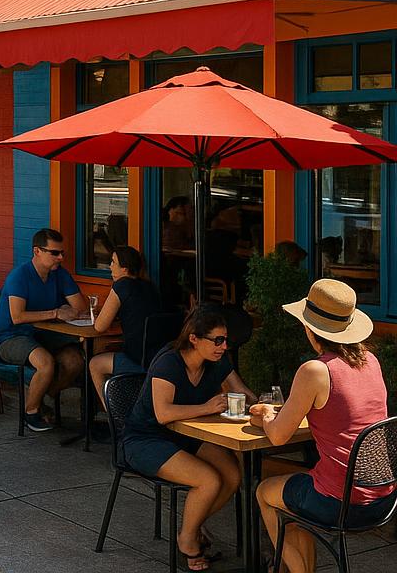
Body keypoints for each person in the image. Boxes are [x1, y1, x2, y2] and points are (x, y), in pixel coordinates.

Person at [252, 279, 395, 573]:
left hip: (341, 503)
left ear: (309, 328)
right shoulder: (370, 360)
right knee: (293, 487)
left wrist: (266, 416)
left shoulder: (315, 370)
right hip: (383, 497)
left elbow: (278, 436)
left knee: (266, 492)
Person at [123, 305, 257, 571]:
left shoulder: (218, 361)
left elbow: (241, 392)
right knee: (208, 480)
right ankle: (187, 539)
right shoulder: (168, 362)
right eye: (217, 340)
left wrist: (261, 405)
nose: (224, 346)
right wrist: (207, 407)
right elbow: (163, 413)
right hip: (146, 439)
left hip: (188, 436)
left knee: (232, 476)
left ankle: (190, 527)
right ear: (194, 339)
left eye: (226, 340)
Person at [0, 228, 87, 433]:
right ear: (37, 251)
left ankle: (41, 395)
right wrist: (55, 312)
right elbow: (18, 316)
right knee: (45, 362)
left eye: (62, 253)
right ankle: (31, 412)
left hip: (41, 335)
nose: (60, 257)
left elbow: (81, 308)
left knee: (75, 360)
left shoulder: (60, 274)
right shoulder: (20, 276)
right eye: (54, 253)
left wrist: (70, 310)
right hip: (10, 337)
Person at [89, 245, 162, 401]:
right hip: (158, 358)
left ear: (125, 268)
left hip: (139, 361)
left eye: (113, 262)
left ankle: (113, 415)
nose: (110, 266)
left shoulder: (122, 285)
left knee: (95, 364)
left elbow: (99, 326)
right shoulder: (150, 287)